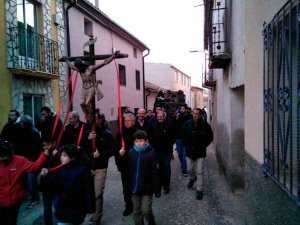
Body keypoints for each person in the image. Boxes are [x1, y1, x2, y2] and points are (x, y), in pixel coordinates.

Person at [41, 144, 95, 225]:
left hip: (76, 208)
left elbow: (89, 190)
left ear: (72, 157)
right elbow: (52, 184)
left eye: (64, 155)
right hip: (63, 209)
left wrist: (90, 207)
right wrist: (45, 175)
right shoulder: (60, 168)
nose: (61, 157)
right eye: (61, 155)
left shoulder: (82, 169)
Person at [0, 139, 48, 225]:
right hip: (1, 200)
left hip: (15, 200)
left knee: (11, 221)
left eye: (5, 156)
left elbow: (34, 167)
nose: (3, 158)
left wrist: (43, 155)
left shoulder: (19, 160)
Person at [62, 55, 114, 123]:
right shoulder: (80, 70)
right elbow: (71, 67)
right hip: (84, 89)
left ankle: (91, 117)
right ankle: (87, 117)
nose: (77, 68)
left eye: (78, 66)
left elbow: (104, 62)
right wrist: (66, 60)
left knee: (86, 103)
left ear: (81, 65)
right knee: (81, 103)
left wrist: (113, 56)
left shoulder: (91, 68)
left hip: (91, 88)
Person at [87, 112, 115, 225]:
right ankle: (92, 212)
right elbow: (80, 147)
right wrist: (87, 139)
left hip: (101, 167)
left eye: (95, 119)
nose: (93, 121)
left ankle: (97, 217)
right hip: (89, 167)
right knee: (90, 192)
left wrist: (101, 154)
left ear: (100, 120)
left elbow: (112, 150)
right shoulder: (88, 132)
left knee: (98, 193)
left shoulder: (107, 134)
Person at [128, 130, 160, 225]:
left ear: (146, 141)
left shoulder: (151, 154)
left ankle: (151, 221)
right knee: (136, 211)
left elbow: (155, 173)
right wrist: (121, 157)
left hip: (147, 188)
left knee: (146, 210)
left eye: (141, 141)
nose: (139, 143)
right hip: (135, 188)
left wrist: (157, 189)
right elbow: (126, 169)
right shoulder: (131, 152)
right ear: (134, 142)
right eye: (137, 141)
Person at [181, 108, 213, 200]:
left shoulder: (204, 125)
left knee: (200, 171)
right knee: (189, 169)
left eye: (197, 114)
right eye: (194, 113)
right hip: (189, 151)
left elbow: (210, 136)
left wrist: (203, 145)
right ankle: (192, 178)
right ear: (192, 114)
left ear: (199, 115)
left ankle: (200, 189)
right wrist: (187, 143)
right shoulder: (187, 124)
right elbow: (182, 135)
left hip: (200, 152)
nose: (195, 115)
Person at [16, 115, 44, 209]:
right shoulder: (22, 131)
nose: (21, 124)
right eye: (20, 123)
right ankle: (31, 195)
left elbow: (36, 148)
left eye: (22, 123)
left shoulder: (33, 132)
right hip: (24, 160)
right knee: (25, 180)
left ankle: (35, 198)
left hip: (32, 161)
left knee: (31, 180)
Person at [114, 113, 137, 216]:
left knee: (135, 186)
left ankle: (137, 204)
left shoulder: (138, 133)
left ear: (133, 122)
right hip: (125, 165)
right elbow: (115, 150)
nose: (126, 122)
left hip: (136, 165)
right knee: (126, 188)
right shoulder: (121, 134)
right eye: (125, 121)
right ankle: (128, 205)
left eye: (129, 120)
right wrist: (119, 159)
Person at [149, 111, 176, 194]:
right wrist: (153, 146)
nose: (159, 118)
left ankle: (166, 186)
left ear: (164, 117)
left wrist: (169, 146)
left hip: (167, 151)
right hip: (157, 151)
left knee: (166, 168)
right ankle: (160, 183)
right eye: (158, 117)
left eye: (161, 116)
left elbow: (173, 138)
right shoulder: (153, 126)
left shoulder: (170, 125)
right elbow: (150, 137)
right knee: (158, 168)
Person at [39, 138, 60, 225]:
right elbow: (38, 165)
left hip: (56, 185)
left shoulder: (59, 153)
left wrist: (56, 156)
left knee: (57, 206)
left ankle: (62, 222)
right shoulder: (42, 154)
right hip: (46, 185)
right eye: (44, 145)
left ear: (53, 144)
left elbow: (60, 166)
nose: (46, 147)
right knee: (47, 208)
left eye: (48, 144)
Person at [173, 104, 192, 176]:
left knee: (184, 155)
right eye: (181, 109)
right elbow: (174, 126)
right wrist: (176, 118)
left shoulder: (189, 117)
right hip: (178, 138)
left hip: (186, 138)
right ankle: (183, 165)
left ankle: (184, 170)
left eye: (183, 109)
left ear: (186, 109)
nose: (182, 110)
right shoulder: (177, 116)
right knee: (180, 154)